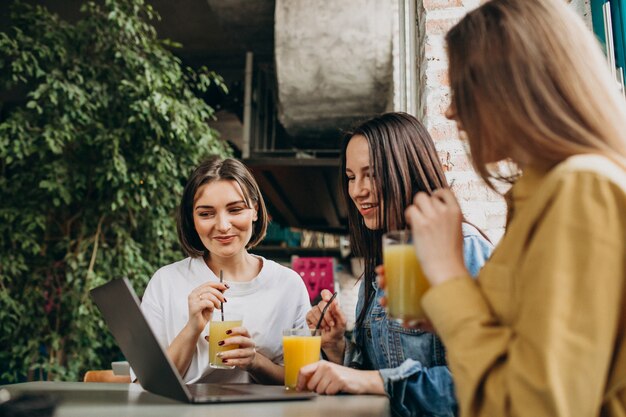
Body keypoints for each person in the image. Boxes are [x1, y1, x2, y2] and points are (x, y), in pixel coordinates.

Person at [399, 1, 626, 416]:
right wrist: (448, 307)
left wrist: (449, 275)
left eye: (463, 88)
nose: (451, 111)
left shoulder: (582, 189)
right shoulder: (541, 195)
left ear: (513, 86)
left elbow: (536, 405)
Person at [299, 112, 493, 416]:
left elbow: (488, 383)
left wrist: (373, 380)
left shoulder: (463, 250)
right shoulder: (379, 267)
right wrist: (336, 346)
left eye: (371, 174)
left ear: (409, 170)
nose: (357, 191)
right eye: (351, 177)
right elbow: (366, 377)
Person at [138, 157, 310, 384]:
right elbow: (146, 385)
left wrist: (255, 361)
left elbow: (305, 382)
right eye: (206, 213)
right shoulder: (166, 281)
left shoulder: (288, 284)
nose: (223, 225)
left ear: (255, 211)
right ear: (192, 218)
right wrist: (192, 328)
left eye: (235, 209)